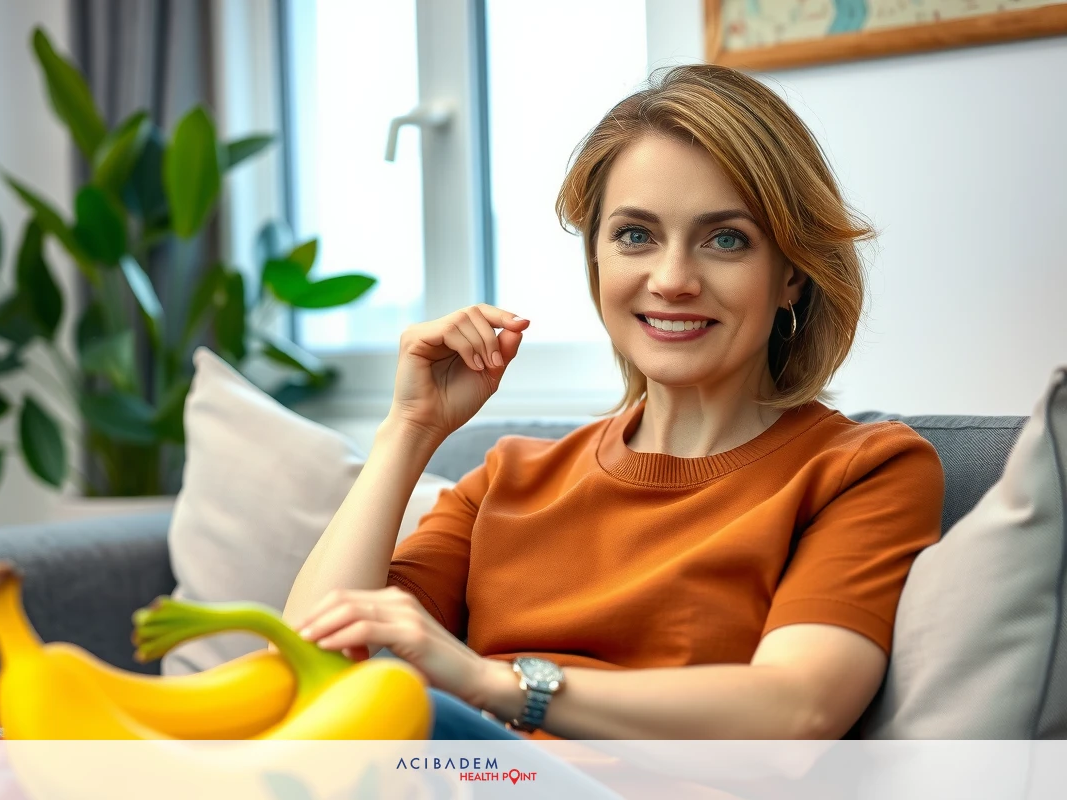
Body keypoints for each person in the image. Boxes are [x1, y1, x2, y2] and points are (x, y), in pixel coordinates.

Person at [281, 63, 944, 741]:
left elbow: (795, 712)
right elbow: (307, 662)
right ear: (597, 261)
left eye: (726, 239)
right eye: (635, 235)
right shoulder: (509, 479)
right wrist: (409, 430)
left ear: (792, 278)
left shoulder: (864, 470)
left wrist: (497, 685)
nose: (673, 279)